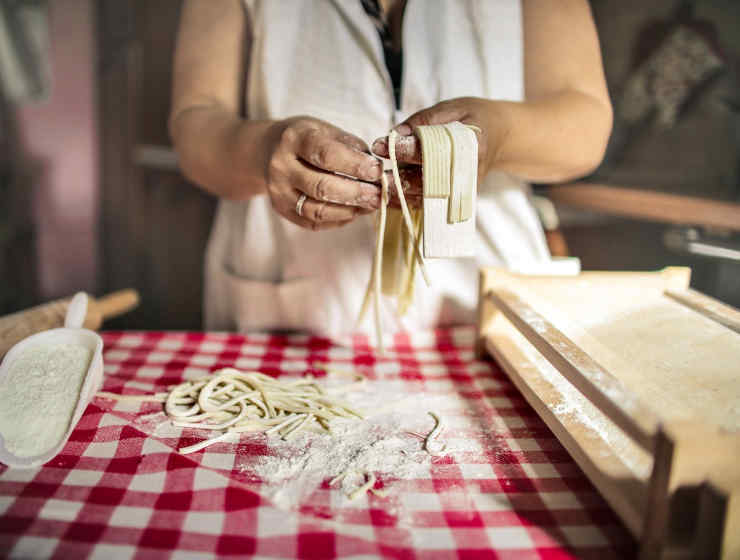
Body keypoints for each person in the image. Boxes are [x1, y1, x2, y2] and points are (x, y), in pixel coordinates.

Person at [169, 0, 612, 342]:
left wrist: (501, 135)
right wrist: (263, 151)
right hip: (293, 311)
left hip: (485, 308)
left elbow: (585, 125)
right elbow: (195, 121)